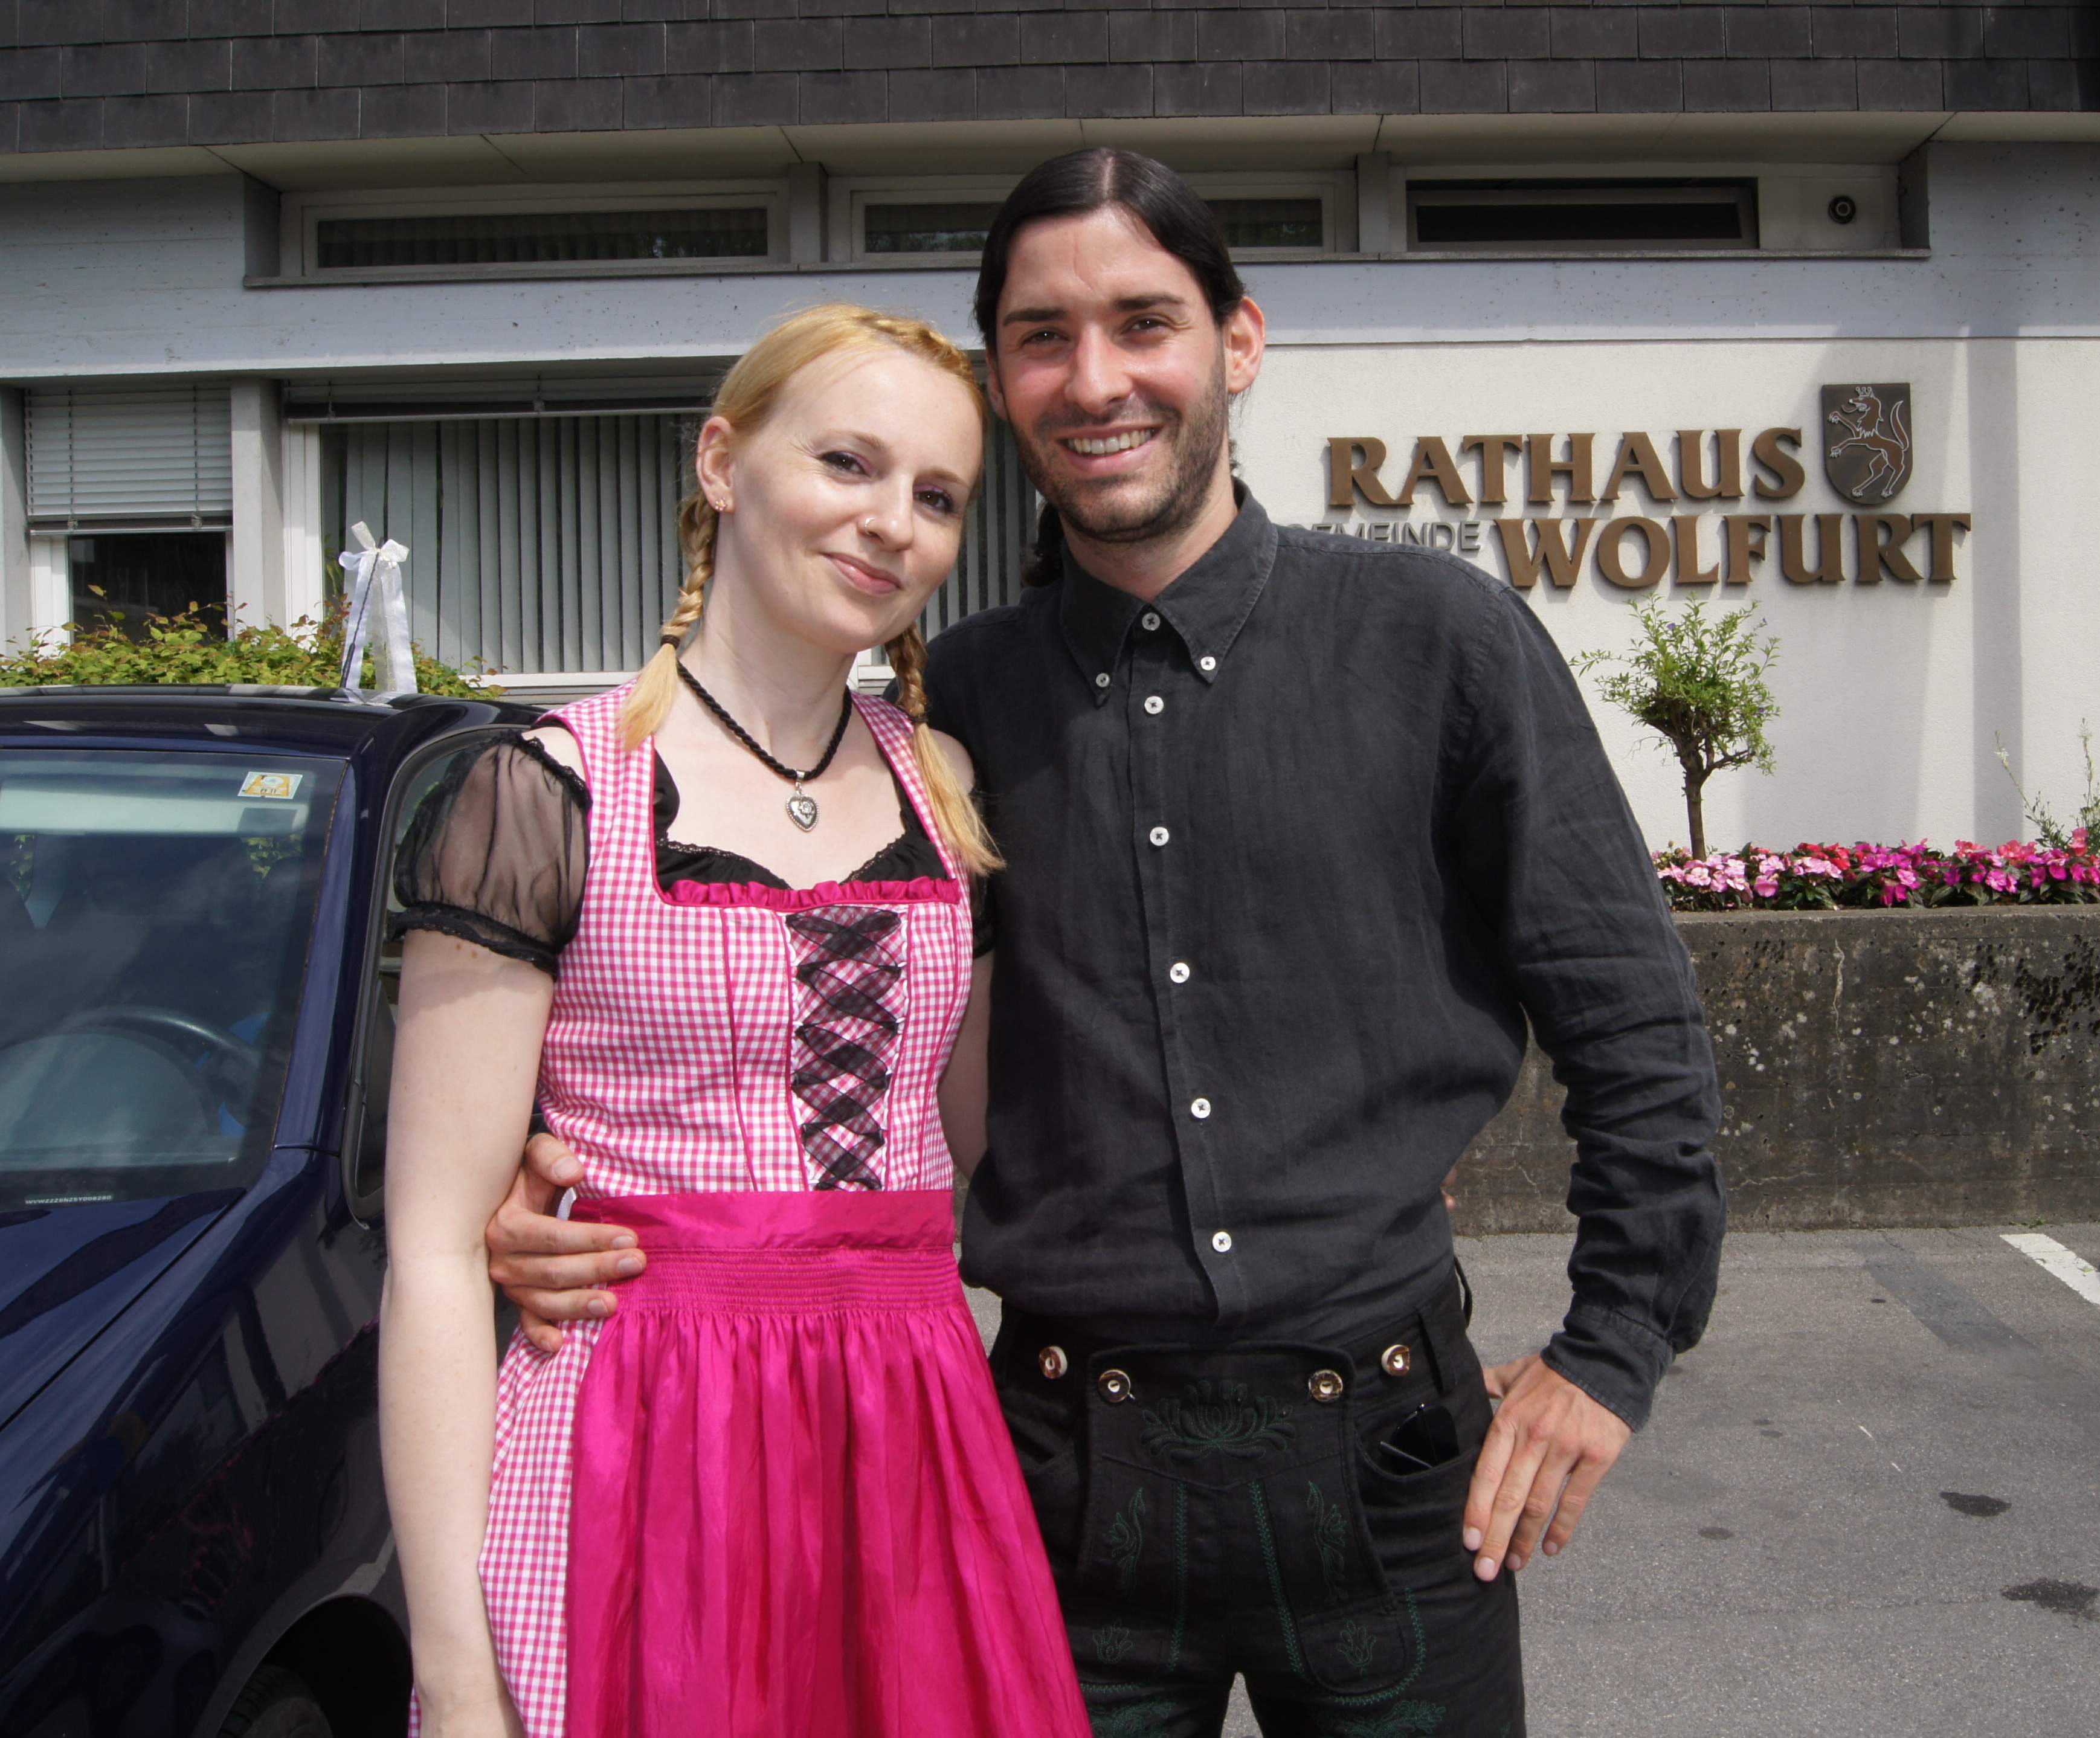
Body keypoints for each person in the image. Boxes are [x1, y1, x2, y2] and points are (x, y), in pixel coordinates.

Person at [491, 153, 1726, 1737]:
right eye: (1041, 336)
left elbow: (1632, 1020)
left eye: (1143, 322)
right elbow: (755, 1011)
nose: (1093, 380)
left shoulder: (1437, 639)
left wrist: (1614, 1343)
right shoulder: (937, 722)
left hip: (1393, 1467)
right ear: (1003, 379)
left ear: (1238, 340)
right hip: (1056, 1478)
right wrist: (552, 1186)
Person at [378, 304, 1092, 1738]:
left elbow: (995, 1149)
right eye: (848, 462)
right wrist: (453, 1675)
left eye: (937, 494)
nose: (891, 522)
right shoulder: (549, 787)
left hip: (906, 1439)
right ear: (722, 462)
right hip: (639, 1436)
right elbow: (436, 1251)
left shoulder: (950, 788)